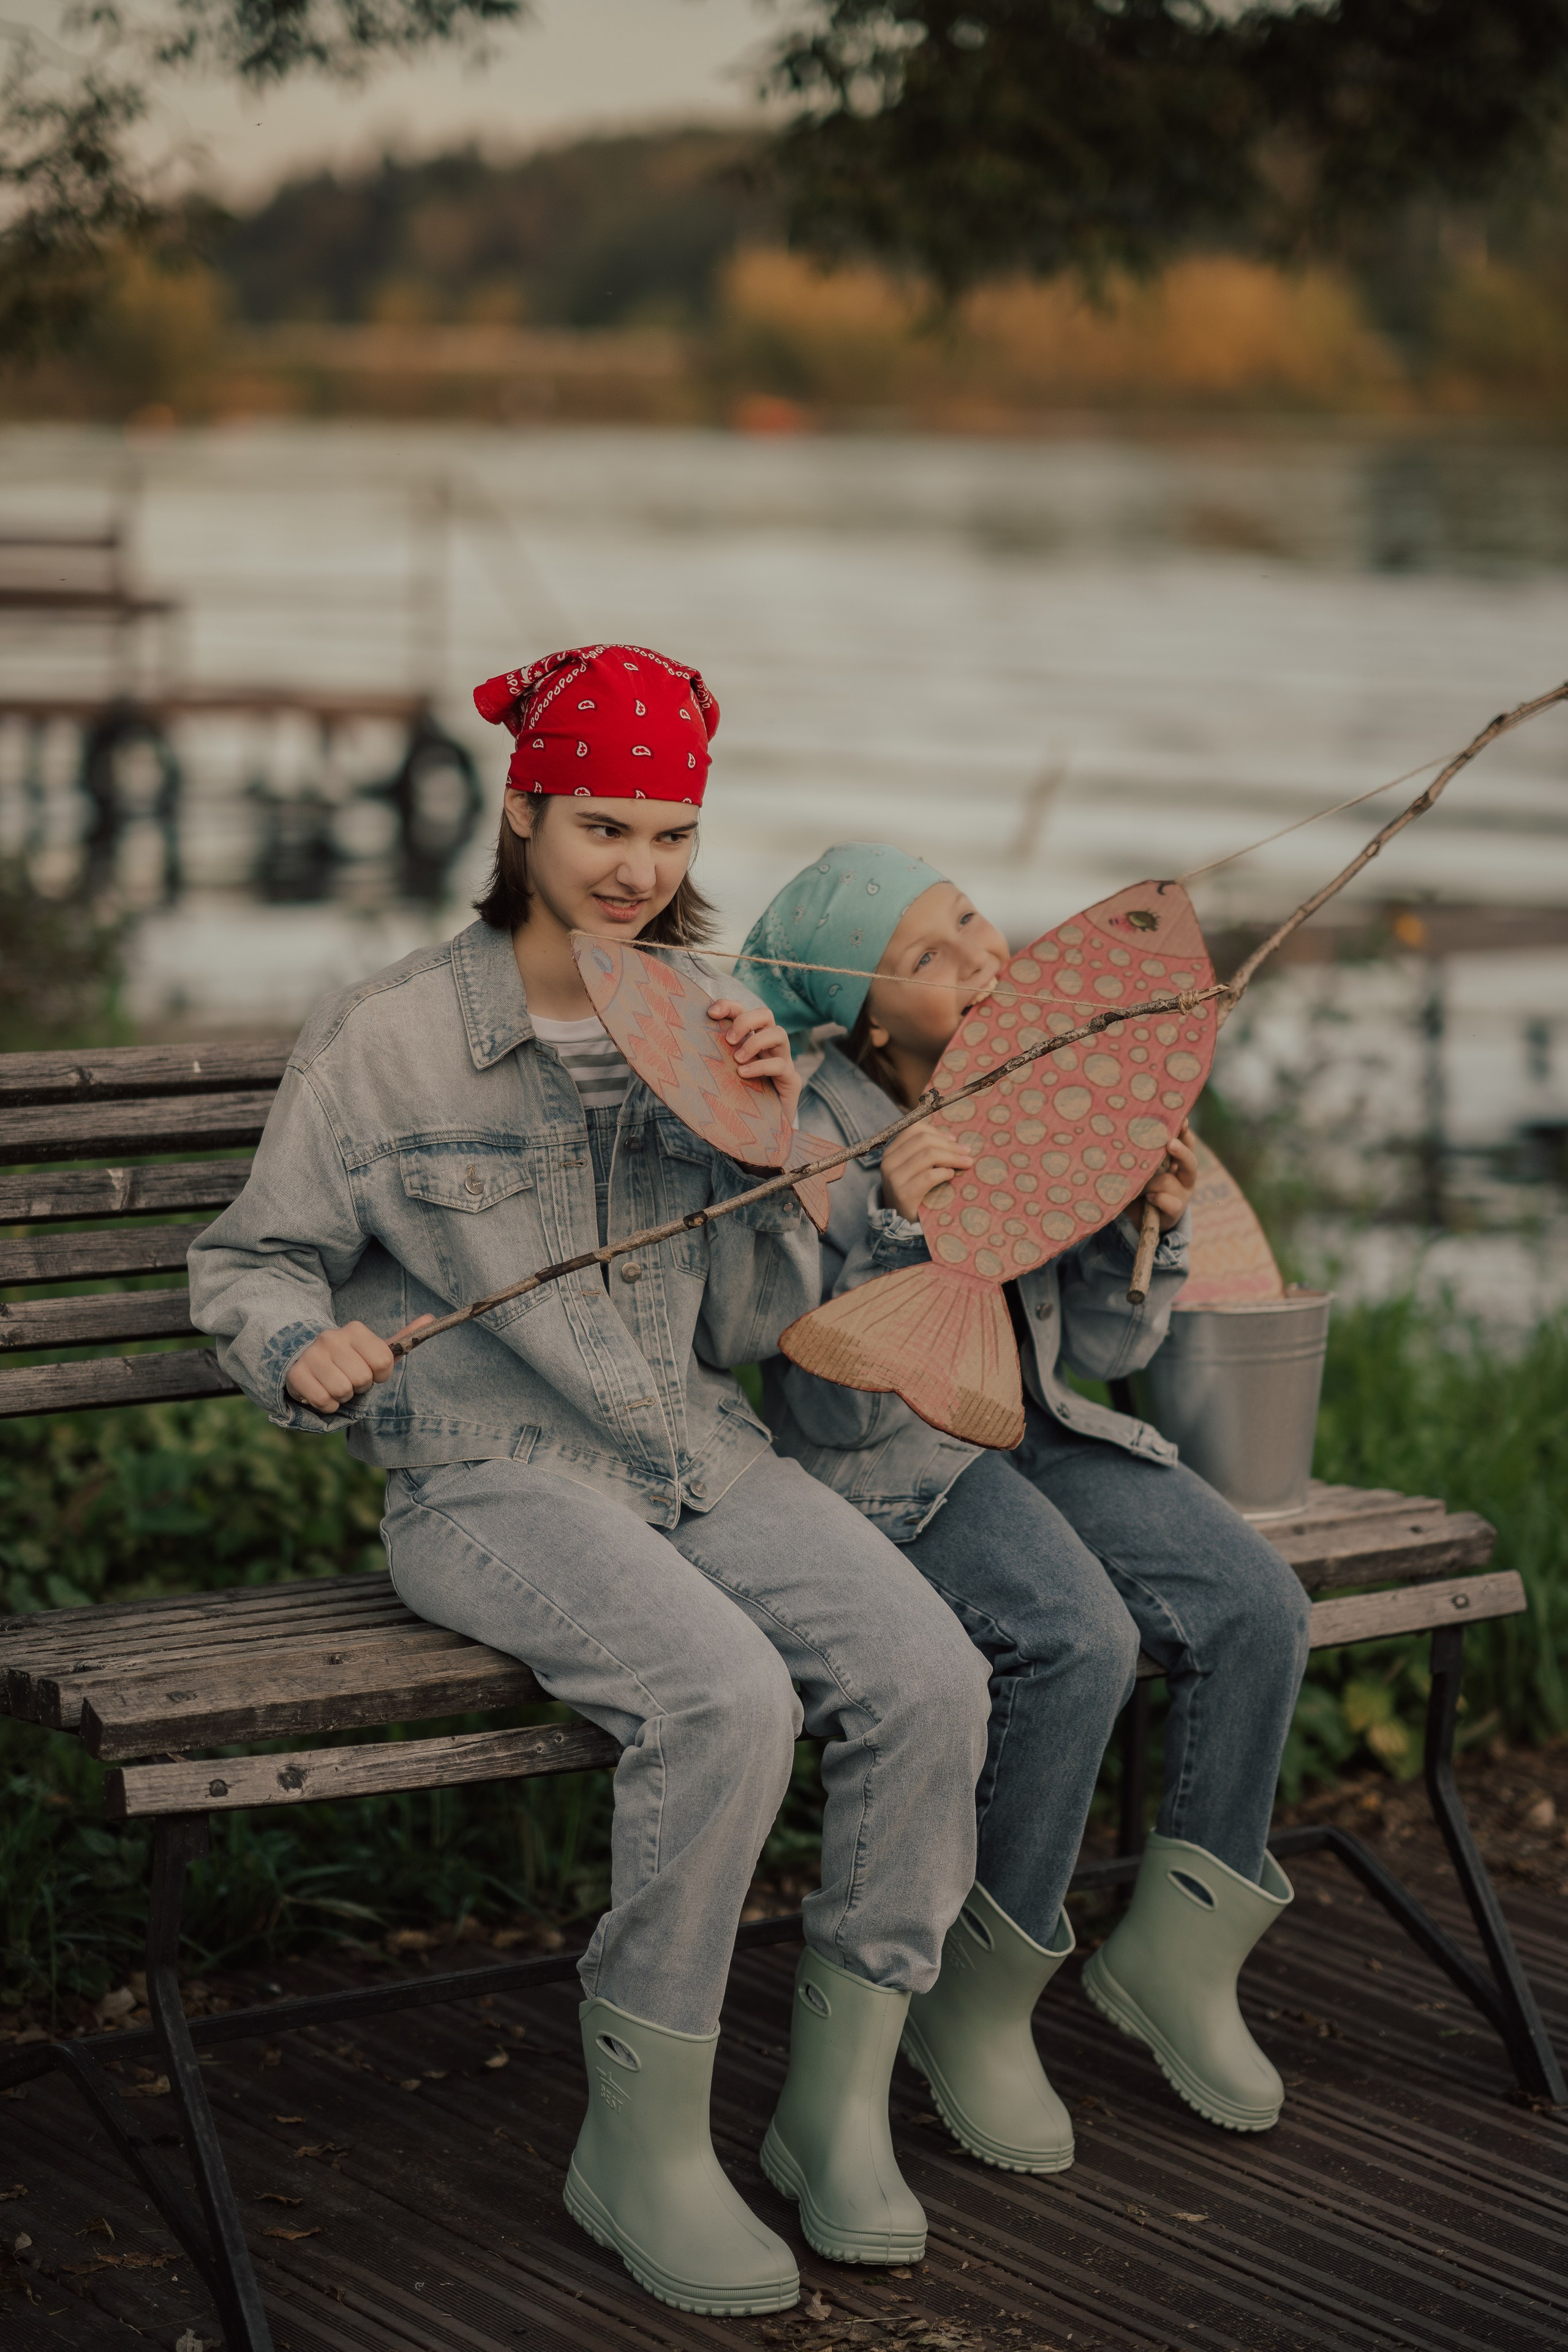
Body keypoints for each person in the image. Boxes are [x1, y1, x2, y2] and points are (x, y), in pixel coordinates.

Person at [187, 669, 991, 2317]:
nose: (638, 868)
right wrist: (298, 1346)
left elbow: (752, 1326)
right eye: (604, 826)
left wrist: (770, 1135)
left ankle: (834, 2107)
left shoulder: (710, 1019)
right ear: (522, 813)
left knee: (931, 1676)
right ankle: (640, 2148)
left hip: (696, 1448)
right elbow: (252, 1259)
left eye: (671, 834)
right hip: (485, 1475)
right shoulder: (389, 1035)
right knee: (723, 1699)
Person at [741, 843, 1311, 2171]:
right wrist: (898, 1229)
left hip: (1037, 1424)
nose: (981, 961)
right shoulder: (810, 1138)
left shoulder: (1031, 1079)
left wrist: (1146, 1227)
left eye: (972, 922)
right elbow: (830, 1414)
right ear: (867, 1019)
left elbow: (1103, 1351)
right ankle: (978, 1996)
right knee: (1074, 1638)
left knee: (1257, 1607)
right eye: (925, 958)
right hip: (894, 1459)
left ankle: (1178, 1959)